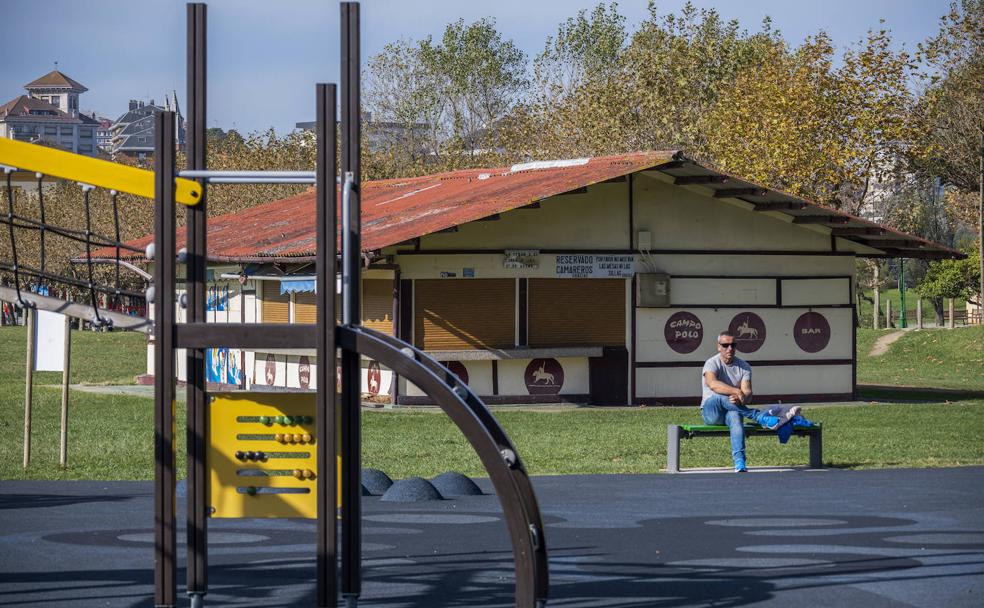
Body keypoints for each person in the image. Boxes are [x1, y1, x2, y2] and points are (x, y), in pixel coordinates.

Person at [701, 331, 787, 473]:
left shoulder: (744, 366)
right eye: (725, 345)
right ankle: (758, 416)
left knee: (736, 416)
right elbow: (713, 384)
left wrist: (741, 397)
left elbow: (747, 393)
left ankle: (739, 461)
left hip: (732, 409)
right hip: (711, 413)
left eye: (733, 345)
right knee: (718, 396)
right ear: (718, 347)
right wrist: (736, 391)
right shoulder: (711, 363)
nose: (730, 348)